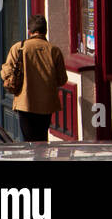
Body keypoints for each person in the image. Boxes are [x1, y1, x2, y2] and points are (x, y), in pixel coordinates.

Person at [5, 14, 68, 143]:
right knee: (41, 138)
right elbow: (62, 79)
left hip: (25, 102)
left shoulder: (18, 48)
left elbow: (6, 73)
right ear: (45, 31)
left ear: (30, 31)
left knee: (29, 140)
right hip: (46, 104)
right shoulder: (54, 50)